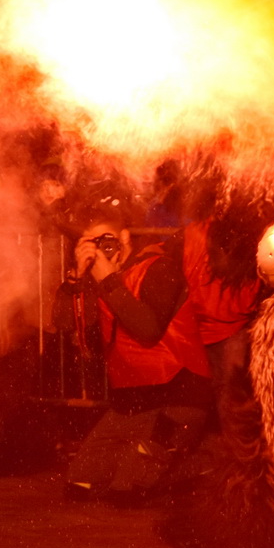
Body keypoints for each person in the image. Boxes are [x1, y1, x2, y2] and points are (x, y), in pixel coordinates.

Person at [58, 202, 212, 500]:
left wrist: (106, 280)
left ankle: (200, 461)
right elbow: (65, 326)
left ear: (125, 238)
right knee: (78, 486)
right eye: (93, 244)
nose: (102, 251)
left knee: (126, 493)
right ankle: (155, 458)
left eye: (107, 241)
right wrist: (75, 280)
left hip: (177, 396)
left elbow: (148, 330)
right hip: (133, 404)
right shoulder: (101, 279)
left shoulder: (159, 267)